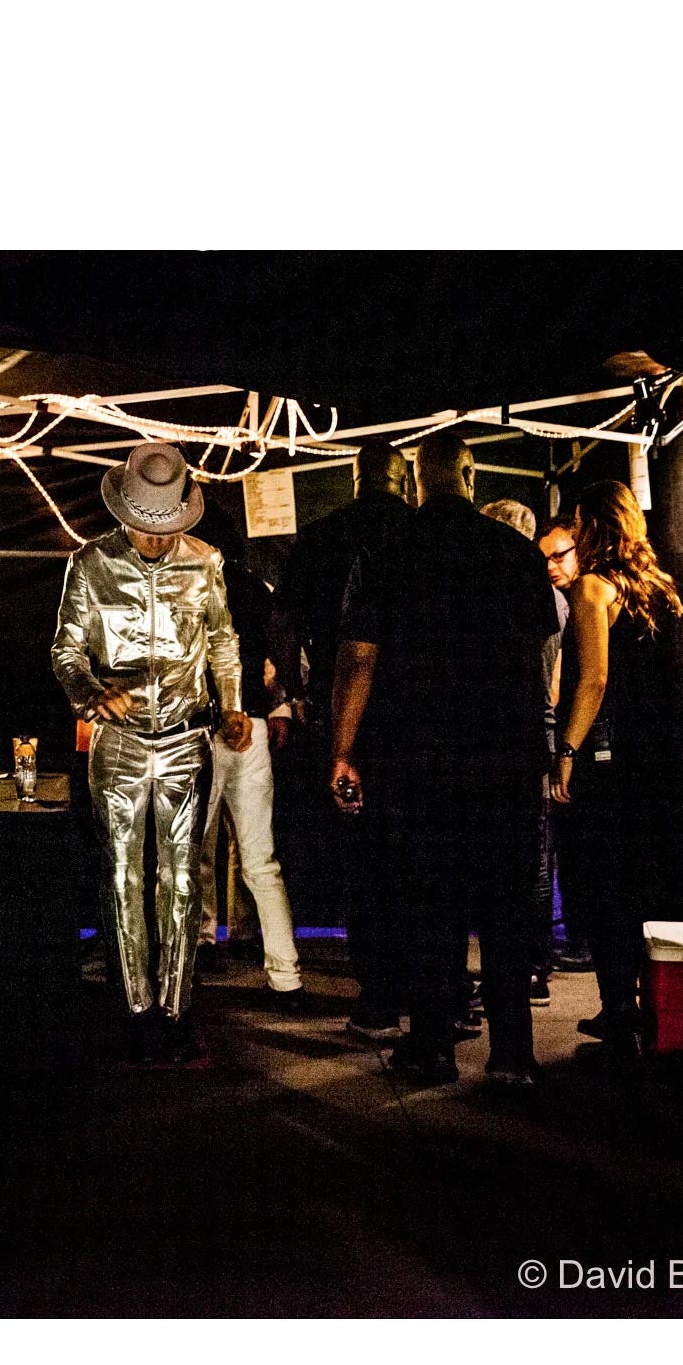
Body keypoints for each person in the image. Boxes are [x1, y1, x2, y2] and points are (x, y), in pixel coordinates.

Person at [331, 430, 558, 1087]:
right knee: (508, 905)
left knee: (428, 905)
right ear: (471, 472)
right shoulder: (517, 554)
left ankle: (431, 1046)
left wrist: (344, 749)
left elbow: (362, 658)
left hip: (416, 755)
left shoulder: (387, 551)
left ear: (419, 480)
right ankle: (513, 1054)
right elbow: (542, 648)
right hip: (505, 753)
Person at [50, 442, 252, 1064]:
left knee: (184, 878)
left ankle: (177, 1008)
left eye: (167, 528)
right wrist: (90, 693)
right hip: (120, 743)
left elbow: (222, 639)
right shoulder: (89, 565)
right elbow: (66, 650)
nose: (157, 539)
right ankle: (135, 1008)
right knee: (121, 875)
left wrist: (234, 702)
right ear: (124, 515)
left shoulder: (207, 563)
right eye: (145, 527)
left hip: (188, 738)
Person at [549, 479, 683, 1058]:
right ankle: (652, 1009)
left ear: (594, 526)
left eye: (578, 524)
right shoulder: (656, 587)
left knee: (605, 884)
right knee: (644, 883)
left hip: (609, 758)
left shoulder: (591, 589)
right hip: (657, 757)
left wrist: (567, 753)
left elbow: (594, 680)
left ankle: (617, 1011)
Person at [279, 441, 411, 1038]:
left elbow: (286, 628)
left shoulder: (319, 538)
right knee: (430, 859)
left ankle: (379, 993)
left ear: (355, 478)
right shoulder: (419, 534)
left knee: (365, 861)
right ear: (403, 479)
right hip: (425, 720)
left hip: (347, 718)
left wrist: (295, 690)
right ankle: (438, 993)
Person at [192, 516, 306, 1009]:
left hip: (199, 728)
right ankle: (287, 976)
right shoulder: (259, 589)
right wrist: (278, 706)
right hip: (251, 728)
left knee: (192, 852)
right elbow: (282, 655)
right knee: (262, 860)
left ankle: (193, 951)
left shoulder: (189, 586)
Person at [486, 500, 569, 1006]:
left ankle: (531, 969)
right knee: (529, 862)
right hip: (532, 742)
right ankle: (527, 970)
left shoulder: (534, 595)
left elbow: (544, 687)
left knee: (530, 865)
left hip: (525, 743)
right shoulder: (546, 596)